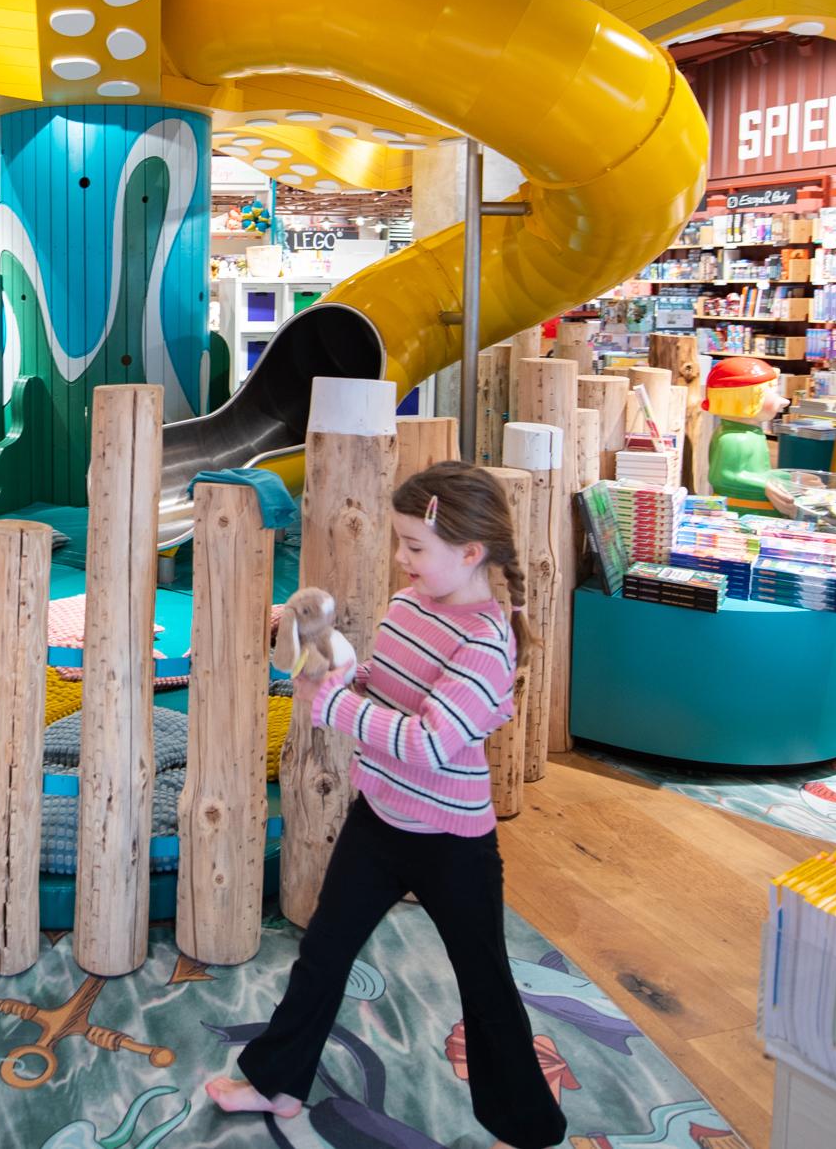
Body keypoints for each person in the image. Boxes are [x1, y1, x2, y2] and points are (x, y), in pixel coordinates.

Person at [205, 461, 566, 1148]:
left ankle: (528, 1128)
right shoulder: (408, 608)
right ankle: (277, 1081)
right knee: (324, 953)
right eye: (400, 543)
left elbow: (429, 741)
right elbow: (388, 683)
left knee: (485, 983)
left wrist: (338, 706)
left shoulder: (487, 645)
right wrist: (342, 670)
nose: (401, 559)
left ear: (470, 553)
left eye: (416, 547)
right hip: (380, 818)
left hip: (452, 841)